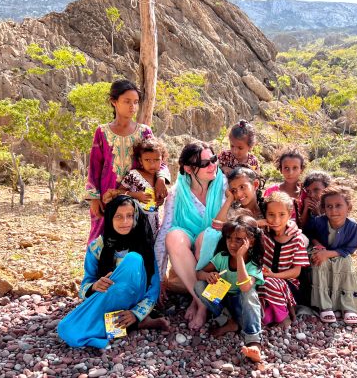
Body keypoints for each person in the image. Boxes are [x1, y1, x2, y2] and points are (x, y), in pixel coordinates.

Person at [57, 196, 168, 349]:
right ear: (110, 218)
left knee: (133, 259)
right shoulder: (97, 247)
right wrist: (95, 286)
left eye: (130, 216)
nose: (125, 222)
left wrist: (135, 313)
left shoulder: (144, 246)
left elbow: (153, 290)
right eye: (118, 216)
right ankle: (132, 325)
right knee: (65, 328)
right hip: (109, 299)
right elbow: (84, 288)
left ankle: (134, 321)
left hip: (134, 301)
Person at [85, 79, 170, 244]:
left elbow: (159, 159)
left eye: (136, 102)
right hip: (107, 196)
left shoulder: (144, 131)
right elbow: (94, 168)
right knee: (101, 240)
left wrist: (160, 179)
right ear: (114, 102)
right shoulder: (101, 132)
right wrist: (94, 198)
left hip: (138, 199)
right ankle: (98, 271)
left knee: (137, 240)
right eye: (127, 101)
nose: (133, 106)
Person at [156, 142, 227, 330]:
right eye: (205, 164)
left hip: (217, 250)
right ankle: (202, 302)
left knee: (206, 236)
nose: (212, 166)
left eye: (213, 160)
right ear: (188, 168)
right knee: (173, 237)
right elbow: (164, 231)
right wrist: (160, 276)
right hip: (187, 243)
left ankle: (198, 303)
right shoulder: (177, 194)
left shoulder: (224, 185)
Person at [195, 215, 265, 362]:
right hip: (225, 306)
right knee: (199, 286)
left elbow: (245, 286)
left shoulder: (253, 265)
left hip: (244, 309)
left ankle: (253, 341)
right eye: (229, 238)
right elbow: (199, 274)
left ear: (250, 242)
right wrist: (208, 276)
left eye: (239, 239)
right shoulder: (222, 258)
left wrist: (240, 258)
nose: (232, 244)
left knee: (248, 293)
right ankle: (228, 321)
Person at [306, 186, 357, 324]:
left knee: (346, 262)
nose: (333, 210)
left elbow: (350, 248)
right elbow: (309, 235)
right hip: (320, 251)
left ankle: (348, 306)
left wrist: (329, 253)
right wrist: (318, 245)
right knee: (319, 261)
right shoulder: (318, 222)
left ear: (348, 207)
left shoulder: (353, 226)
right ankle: (324, 305)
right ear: (324, 208)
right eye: (329, 206)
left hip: (339, 254)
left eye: (338, 205)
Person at [258, 192, 309, 327]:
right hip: (265, 279)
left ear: (289, 214)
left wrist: (274, 275)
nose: (276, 220)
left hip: (288, 285)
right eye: (271, 215)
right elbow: (240, 230)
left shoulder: (296, 240)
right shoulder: (264, 235)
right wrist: (258, 223)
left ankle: (284, 318)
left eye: (282, 215)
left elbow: (296, 272)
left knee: (268, 283)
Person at [263, 148, 307, 220]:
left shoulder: (305, 194)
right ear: (281, 169)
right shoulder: (271, 191)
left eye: (295, 168)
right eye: (286, 168)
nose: (290, 173)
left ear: (301, 170)